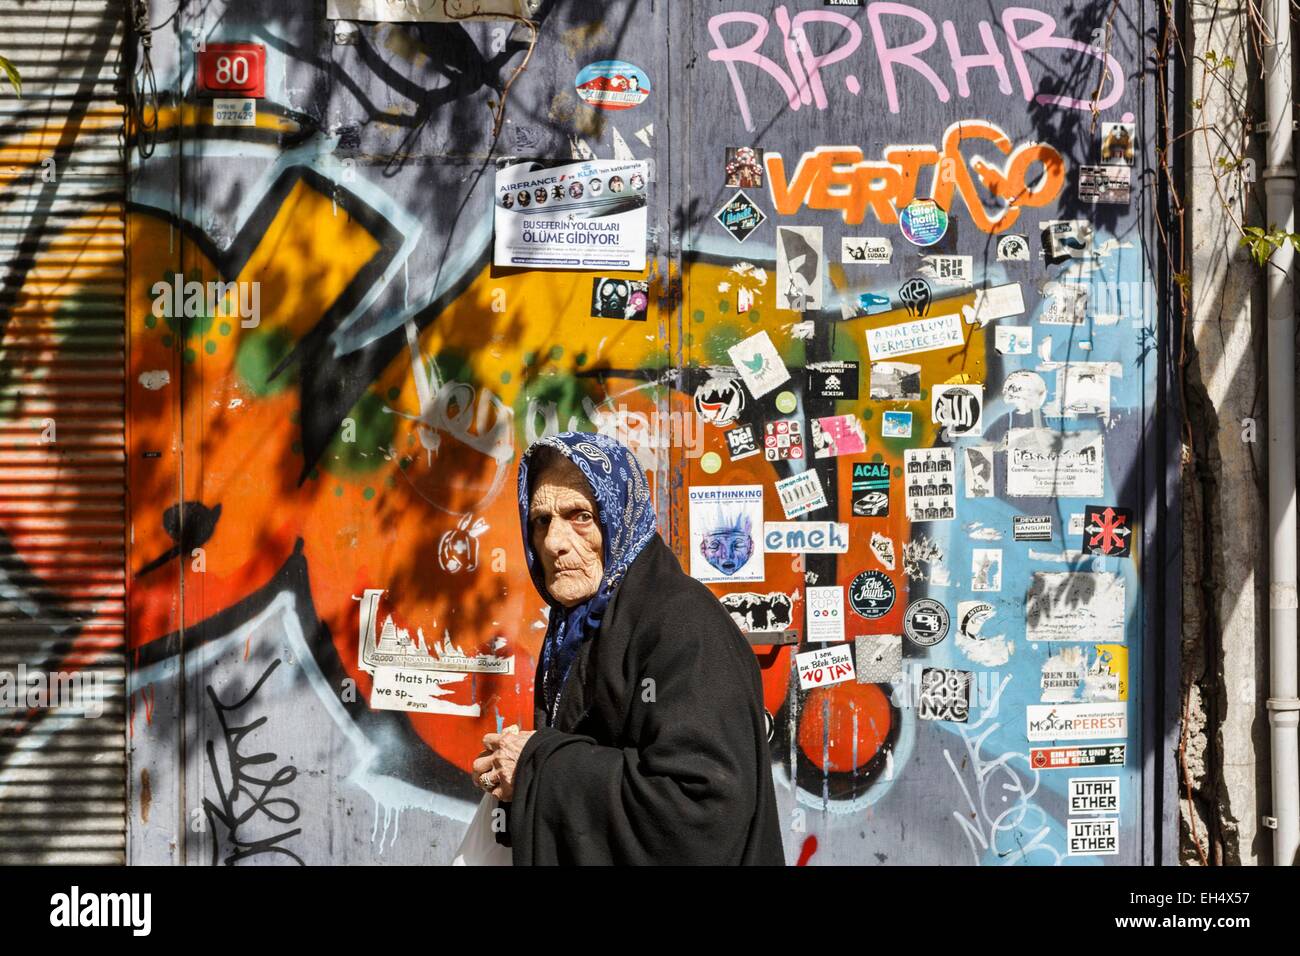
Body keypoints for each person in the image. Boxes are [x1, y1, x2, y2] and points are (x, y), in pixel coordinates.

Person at [471, 432, 785, 865]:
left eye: (579, 516)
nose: (552, 542)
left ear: (622, 517)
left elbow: (700, 808)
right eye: (541, 520)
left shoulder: (683, 625)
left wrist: (537, 764)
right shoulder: (581, 625)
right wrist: (517, 776)